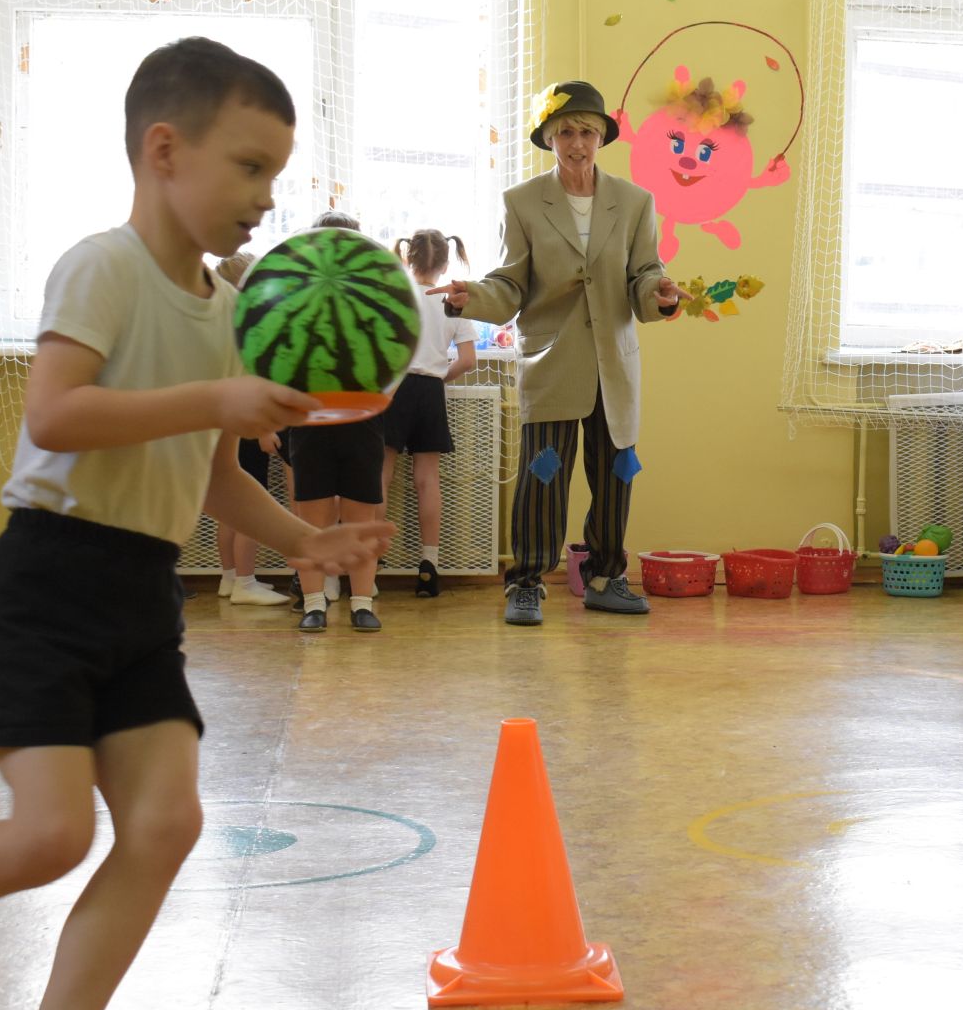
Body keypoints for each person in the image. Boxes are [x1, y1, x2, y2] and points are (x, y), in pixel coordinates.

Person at [0, 38, 391, 1010]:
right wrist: (215, 398)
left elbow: (211, 475)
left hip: (140, 597)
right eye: (251, 166)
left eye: (277, 171)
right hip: (46, 584)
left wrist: (309, 540)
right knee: (49, 836)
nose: (268, 196)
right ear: (164, 151)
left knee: (168, 822)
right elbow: (57, 413)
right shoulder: (103, 266)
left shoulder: (228, 313)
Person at [430, 81, 683, 625]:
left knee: (617, 474)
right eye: (565, 131)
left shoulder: (635, 202)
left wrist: (658, 296)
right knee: (542, 478)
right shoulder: (521, 202)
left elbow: (645, 273)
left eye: (586, 132)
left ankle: (606, 577)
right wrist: (469, 296)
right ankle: (526, 583)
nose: (577, 142)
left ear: (600, 138)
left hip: (614, 365)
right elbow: (511, 283)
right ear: (548, 137)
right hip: (551, 363)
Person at [285, 211, 392, 632]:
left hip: (362, 421)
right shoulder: (298, 299)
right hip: (310, 421)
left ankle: (362, 604)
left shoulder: (373, 301)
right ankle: (314, 603)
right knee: (311, 518)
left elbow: (394, 355)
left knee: (362, 518)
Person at [382, 229, 478, 598]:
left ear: (407, 258)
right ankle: (429, 566)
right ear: (444, 263)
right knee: (428, 480)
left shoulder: (396, 296)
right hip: (429, 392)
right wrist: (439, 379)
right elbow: (468, 360)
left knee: (381, 476)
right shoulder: (454, 301)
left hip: (395, 388)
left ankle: (368, 568)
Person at [210, 252, 291, 607]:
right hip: (246, 423)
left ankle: (230, 577)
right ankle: (245, 580)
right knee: (246, 501)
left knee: (230, 504)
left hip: (228, 420)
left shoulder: (225, 322)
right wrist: (262, 430)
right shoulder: (246, 325)